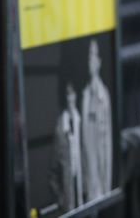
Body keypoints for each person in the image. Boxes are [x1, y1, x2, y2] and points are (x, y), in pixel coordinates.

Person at [80, 39, 112, 205]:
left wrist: (106, 187)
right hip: (87, 186)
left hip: (100, 184)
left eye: (94, 55)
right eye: (89, 55)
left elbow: (107, 144)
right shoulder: (85, 96)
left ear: (99, 61)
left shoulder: (103, 95)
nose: (91, 60)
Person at [51, 81, 82, 211]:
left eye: (72, 93)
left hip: (84, 187)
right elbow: (52, 170)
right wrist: (60, 196)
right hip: (68, 190)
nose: (70, 98)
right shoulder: (59, 126)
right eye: (67, 94)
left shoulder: (81, 119)